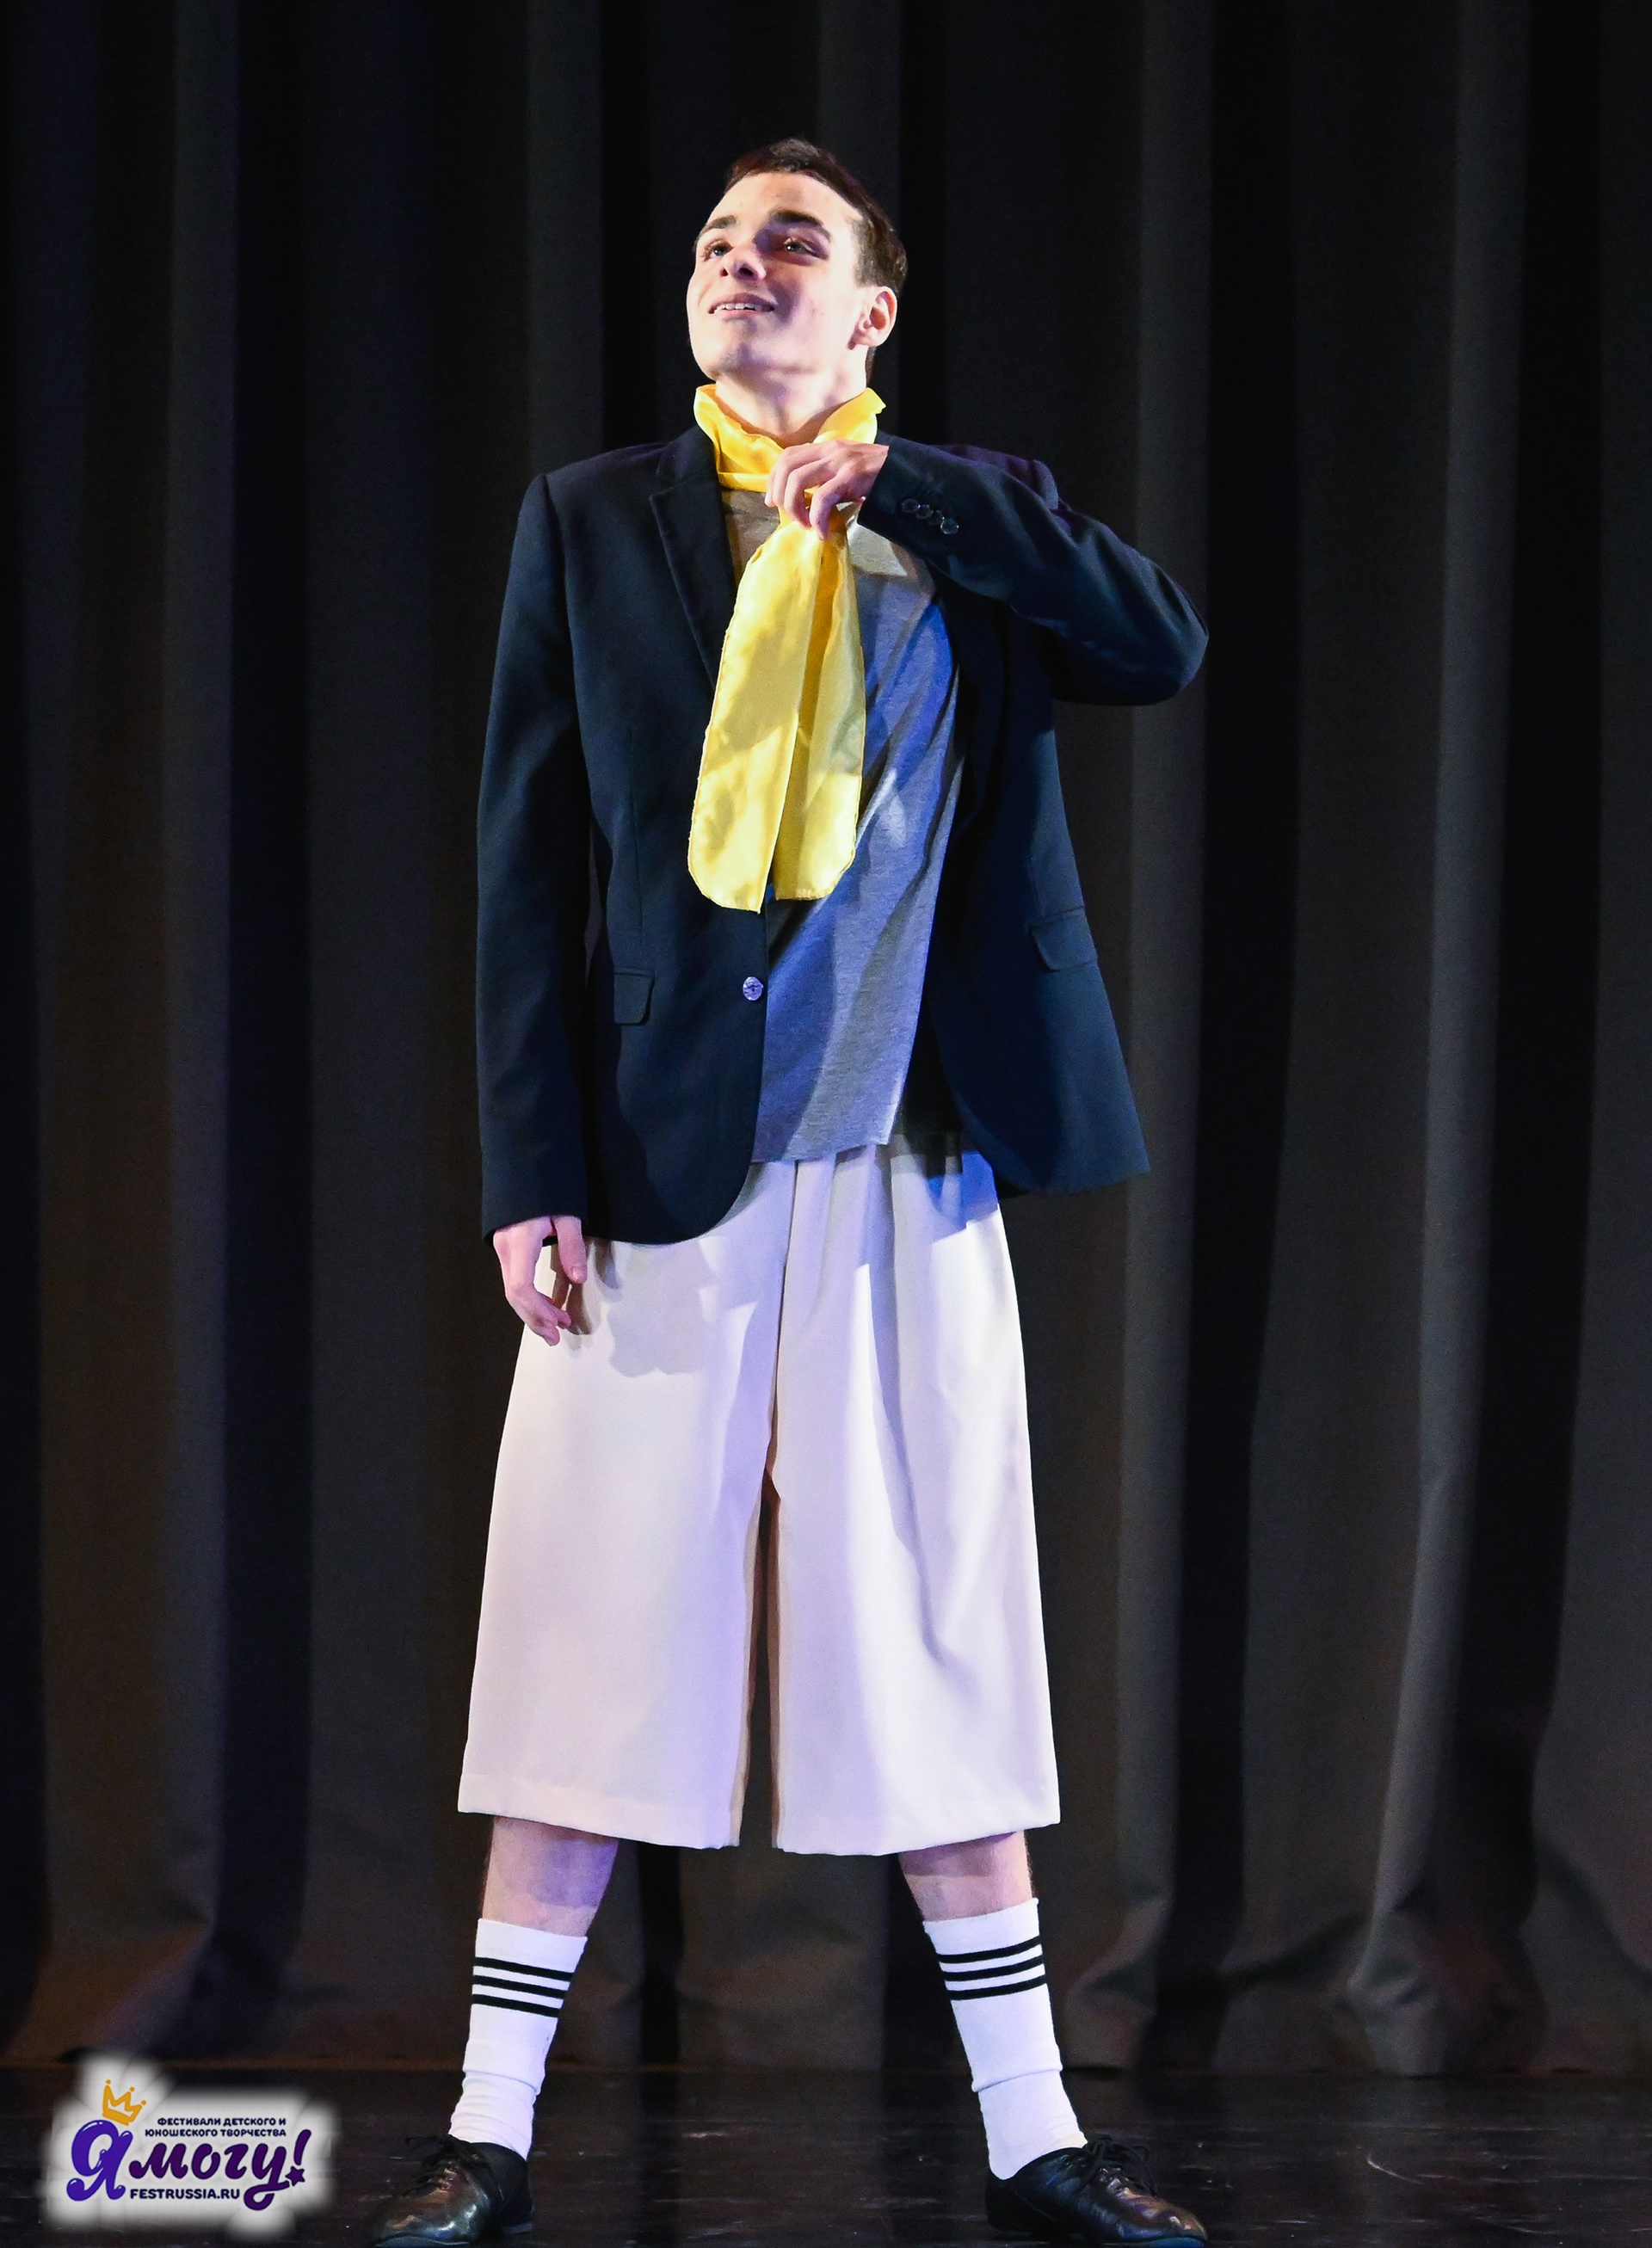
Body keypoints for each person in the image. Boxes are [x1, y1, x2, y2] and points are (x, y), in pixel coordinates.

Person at [369, 139, 1208, 2248]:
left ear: (873, 311)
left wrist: (916, 495)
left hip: (914, 1166)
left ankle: (1035, 2136)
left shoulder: (972, 513)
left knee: (941, 1638)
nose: (744, 264)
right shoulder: (595, 519)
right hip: (662, 1166)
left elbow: (1159, 645)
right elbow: (522, 868)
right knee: (581, 1637)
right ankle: (485, 2136)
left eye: (793, 243)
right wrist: (529, 1168)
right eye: (720, 242)